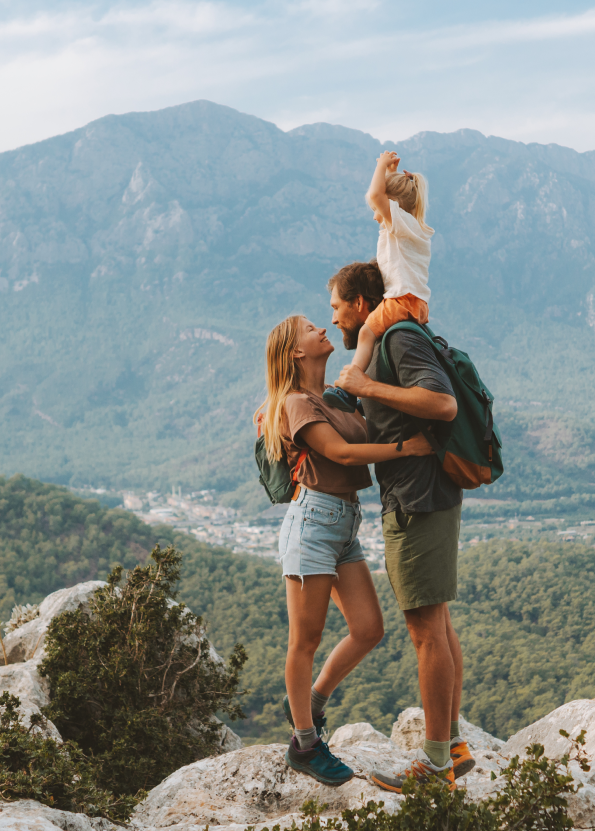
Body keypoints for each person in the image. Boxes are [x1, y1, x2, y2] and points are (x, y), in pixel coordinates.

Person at [254, 314, 435, 786]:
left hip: (342, 525)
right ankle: (305, 744)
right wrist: (405, 448)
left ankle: (311, 702)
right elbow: (343, 454)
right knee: (305, 640)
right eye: (312, 329)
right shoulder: (295, 403)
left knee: (369, 629)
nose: (322, 330)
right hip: (312, 524)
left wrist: (377, 321)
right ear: (296, 352)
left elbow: (362, 353)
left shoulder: (331, 398)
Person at [327, 261, 475, 792]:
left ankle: (435, 765)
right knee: (438, 623)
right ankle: (452, 746)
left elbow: (441, 402)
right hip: (418, 495)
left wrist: (368, 383)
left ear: (361, 306)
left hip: (419, 496)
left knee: (425, 632)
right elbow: (360, 401)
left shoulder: (398, 340)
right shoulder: (386, 346)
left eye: (338, 308)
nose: (337, 320)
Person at [324, 150, 433, 414]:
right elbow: (384, 197)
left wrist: (382, 166)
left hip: (400, 299)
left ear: (392, 204)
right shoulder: (411, 230)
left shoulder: (399, 225)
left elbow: (375, 196)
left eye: (378, 211)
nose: (375, 216)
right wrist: (389, 174)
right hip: (414, 301)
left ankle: (349, 389)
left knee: (365, 333)